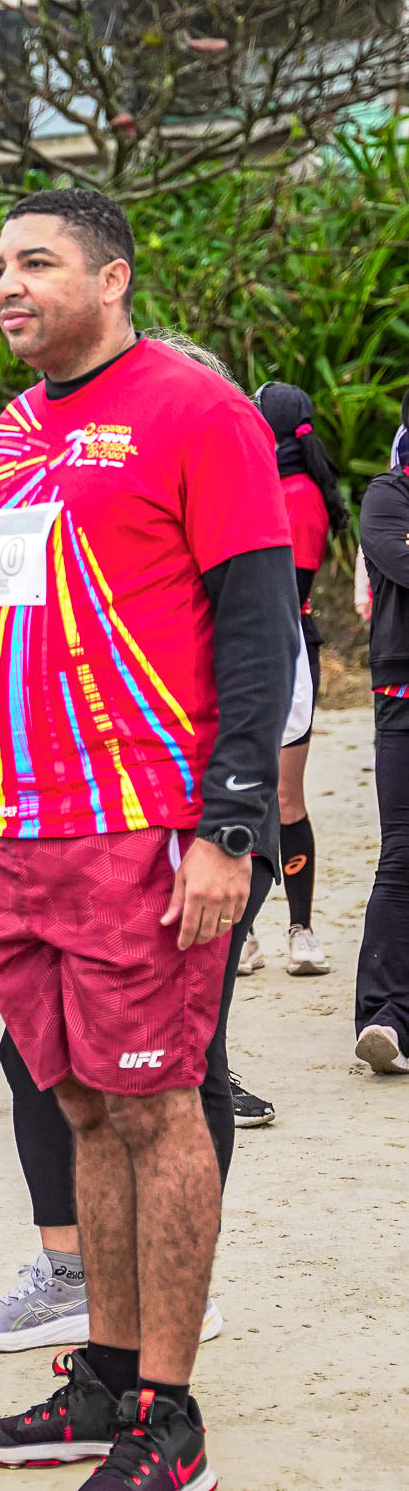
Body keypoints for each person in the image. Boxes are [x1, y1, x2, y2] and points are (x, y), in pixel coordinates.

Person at [0, 189, 297, 1491]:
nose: (7, 285)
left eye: (38, 262)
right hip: (20, 838)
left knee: (157, 1108)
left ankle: (167, 1418)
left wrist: (230, 824)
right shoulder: (11, 437)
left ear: (114, 276)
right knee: (81, 1106)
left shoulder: (199, 411)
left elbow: (258, 625)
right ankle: (105, 1372)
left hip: (146, 830)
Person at [238, 382, 348, 979]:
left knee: (283, 796)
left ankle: (300, 931)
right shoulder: (250, 483)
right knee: (234, 790)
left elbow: (289, 589)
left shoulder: (299, 494)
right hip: (242, 646)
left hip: (286, 648)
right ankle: (244, 933)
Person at [354, 402, 409, 1072]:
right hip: (403, 699)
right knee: (401, 854)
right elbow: (399, 563)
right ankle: (384, 1017)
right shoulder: (386, 496)